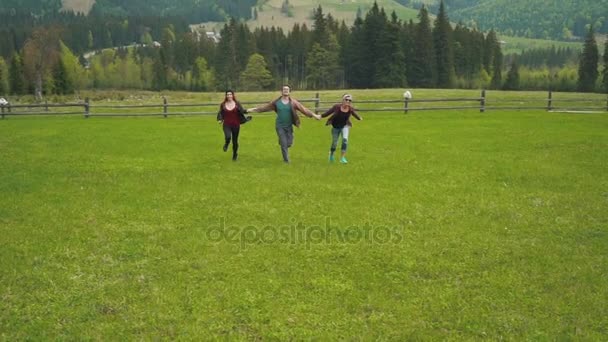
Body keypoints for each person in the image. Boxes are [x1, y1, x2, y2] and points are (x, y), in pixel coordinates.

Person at [247, 85, 321, 163]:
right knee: (284, 144)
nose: (285, 90)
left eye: (287, 89)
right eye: (284, 89)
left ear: (289, 92)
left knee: (289, 143)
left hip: (289, 126)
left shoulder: (293, 102)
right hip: (280, 126)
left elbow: (304, 109)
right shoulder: (276, 102)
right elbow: (263, 108)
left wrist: (314, 115)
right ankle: (286, 160)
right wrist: (251, 110)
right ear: (281, 91)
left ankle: (283, 143)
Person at [321, 94, 362, 164]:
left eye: (350, 100)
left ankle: (342, 158)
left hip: (345, 126)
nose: (348, 101)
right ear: (343, 100)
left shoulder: (350, 109)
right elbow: (328, 112)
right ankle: (331, 155)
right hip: (335, 127)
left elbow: (354, 114)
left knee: (345, 140)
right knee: (334, 143)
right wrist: (320, 116)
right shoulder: (336, 107)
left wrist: (359, 118)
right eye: (346, 99)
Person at [216, 90, 251, 161]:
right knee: (228, 137)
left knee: (235, 141)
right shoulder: (223, 104)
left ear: (233, 95)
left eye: (230, 94)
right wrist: (220, 119)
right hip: (226, 125)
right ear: (226, 96)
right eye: (227, 94)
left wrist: (249, 110)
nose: (229, 96)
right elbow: (220, 113)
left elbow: (242, 111)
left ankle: (235, 154)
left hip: (236, 125)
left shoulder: (237, 103)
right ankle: (226, 144)